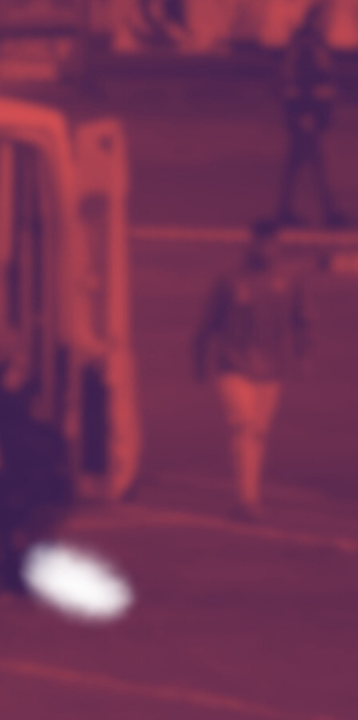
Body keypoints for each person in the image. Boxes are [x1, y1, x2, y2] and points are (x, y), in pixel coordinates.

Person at [194, 221, 311, 522]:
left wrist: (303, 355)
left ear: (278, 245)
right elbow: (208, 323)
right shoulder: (229, 279)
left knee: (258, 432)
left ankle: (249, 495)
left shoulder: (289, 278)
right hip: (232, 364)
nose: (266, 249)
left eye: (272, 243)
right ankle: (246, 500)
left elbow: (301, 320)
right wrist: (199, 360)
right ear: (252, 243)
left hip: (272, 369)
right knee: (243, 425)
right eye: (261, 242)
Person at [277, 3, 347, 228]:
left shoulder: (311, 42)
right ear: (315, 18)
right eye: (324, 17)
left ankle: (285, 211)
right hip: (308, 117)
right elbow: (297, 82)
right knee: (321, 165)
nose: (328, 22)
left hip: (310, 116)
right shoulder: (307, 44)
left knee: (298, 165)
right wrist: (304, 113)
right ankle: (330, 213)